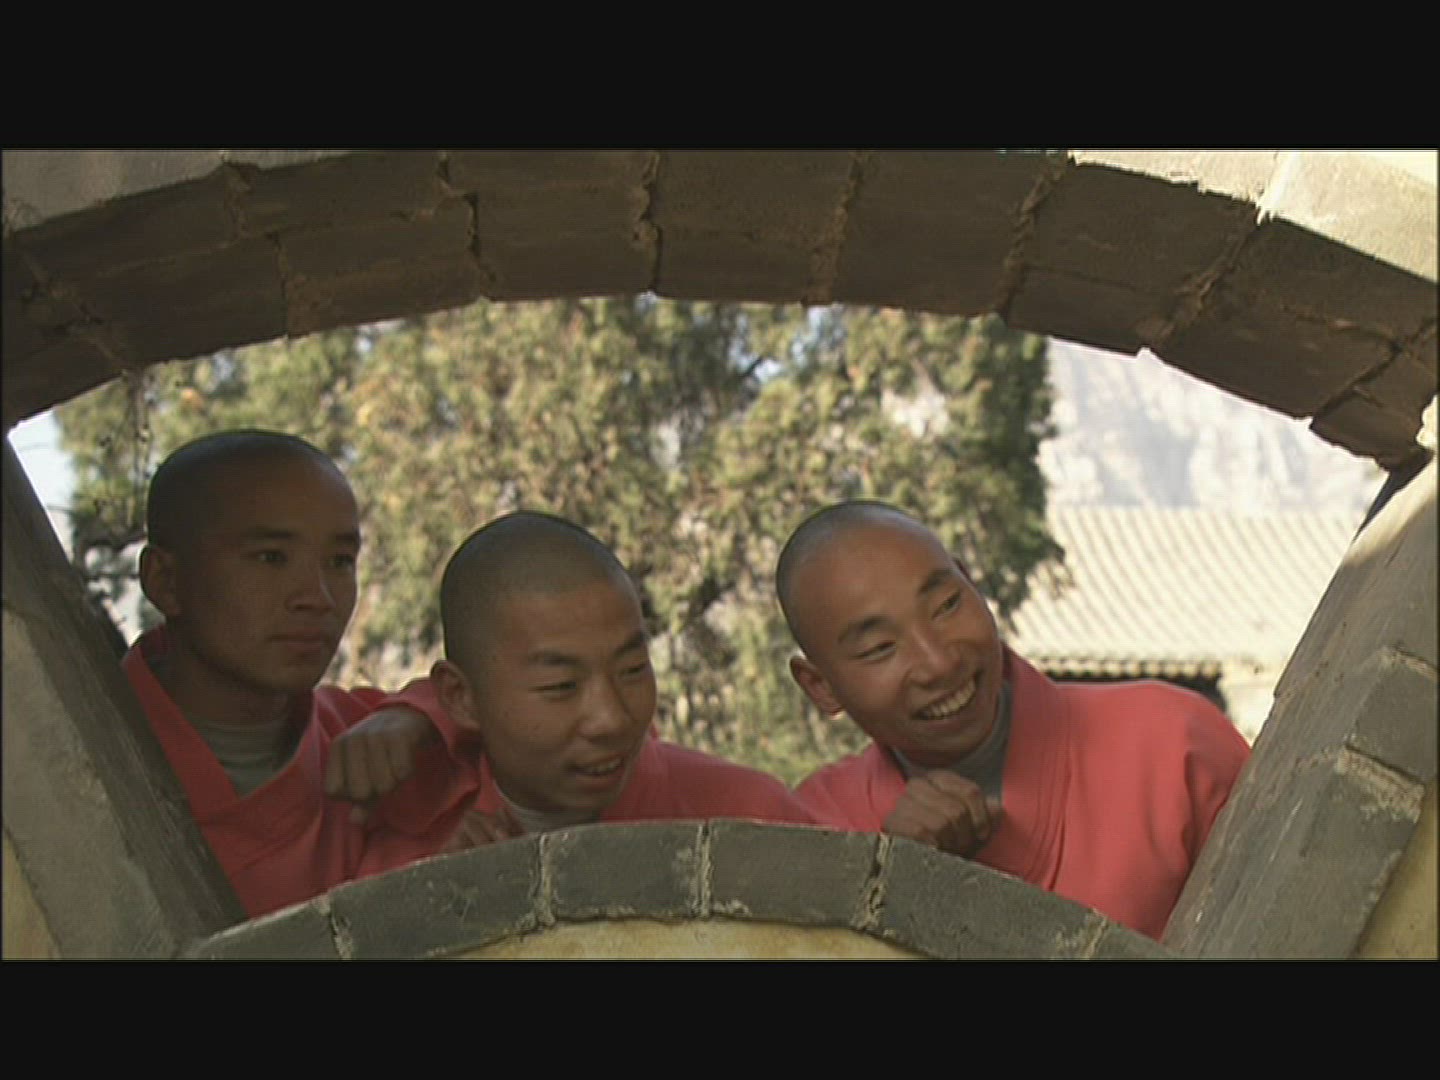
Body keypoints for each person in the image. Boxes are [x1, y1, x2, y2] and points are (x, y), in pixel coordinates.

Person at [776, 500, 1250, 940]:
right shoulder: (816, 831)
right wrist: (897, 884)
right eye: (880, 648)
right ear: (821, 686)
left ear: (971, 584)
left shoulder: (1171, 742)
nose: (939, 662)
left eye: (947, 605)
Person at [129, 429, 469, 919]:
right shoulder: (90, 752)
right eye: (271, 558)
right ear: (165, 580)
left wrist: (418, 719)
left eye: (339, 562)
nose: (318, 598)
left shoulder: (371, 738)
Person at [380, 510, 817, 844]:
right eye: (561, 687)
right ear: (461, 697)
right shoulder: (407, 844)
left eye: (632, 670)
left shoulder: (751, 821)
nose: (611, 719)